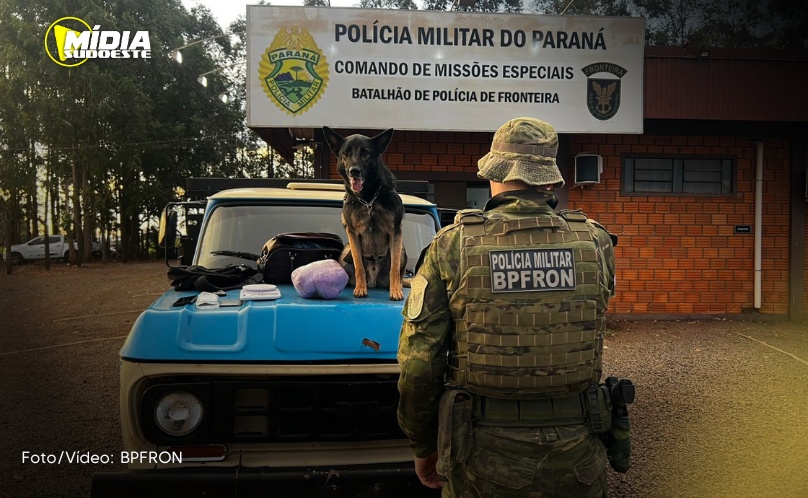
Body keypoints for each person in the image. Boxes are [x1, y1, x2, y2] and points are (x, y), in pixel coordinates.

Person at [397, 117, 617, 497]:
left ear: (495, 172)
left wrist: (422, 444)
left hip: (481, 455)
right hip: (578, 449)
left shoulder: (451, 245)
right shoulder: (595, 241)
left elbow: (420, 365)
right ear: (548, 178)